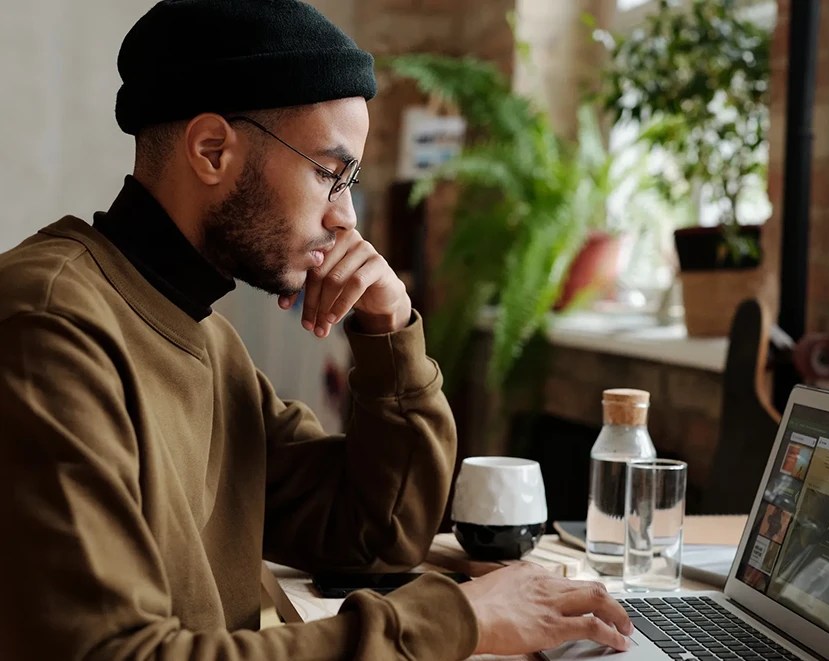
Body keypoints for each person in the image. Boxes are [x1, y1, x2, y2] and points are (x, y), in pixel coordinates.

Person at [0, 1, 632, 659]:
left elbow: (374, 531)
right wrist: (454, 621)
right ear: (212, 150)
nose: (346, 219)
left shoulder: (205, 338)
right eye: (330, 174)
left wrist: (390, 333)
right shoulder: (50, 328)